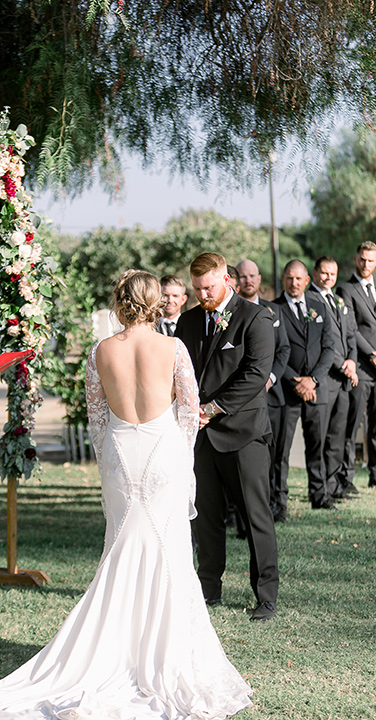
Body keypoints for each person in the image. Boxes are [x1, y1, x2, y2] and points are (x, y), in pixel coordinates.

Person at [0, 269, 253, 720]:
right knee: (170, 554)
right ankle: (163, 654)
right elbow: (187, 409)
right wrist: (181, 463)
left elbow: (97, 420)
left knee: (120, 548)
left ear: (121, 301)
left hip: (121, 455)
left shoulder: (101, 352)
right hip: (163, 456)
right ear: (156, 302)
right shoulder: (173, 347)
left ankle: (111, 649)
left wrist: (110, 465)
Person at [175, 252, 279, 622]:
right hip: (200, 438)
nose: (202, 294)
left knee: (255, 517)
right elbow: (180, 371)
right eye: (197, 288)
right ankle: (208, 588)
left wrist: (212, 408)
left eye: (209, 287)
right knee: (206, 516)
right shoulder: (186, 322)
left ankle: (266, 596)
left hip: (244, 434)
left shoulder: (255, 318)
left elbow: (255, 375)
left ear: (226, 280)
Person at [273, 260, 334, 511]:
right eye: (289, 278)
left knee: (318, 445)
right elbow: (272, 351)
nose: (294, 283)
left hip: (316, 389)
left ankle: (319, 496)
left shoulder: (320, 307)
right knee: (281, 450)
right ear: (283, 279)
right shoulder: (272, 309)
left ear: (307, 281)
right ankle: (279, 502)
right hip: (287, 391)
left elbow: (329, 348)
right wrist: (295, 381)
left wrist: (313, 380)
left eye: (299, 279)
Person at [236, 259, 290, 521]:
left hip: (272, 397)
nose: (248, 281)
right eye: (242, 276)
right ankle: (236, 512)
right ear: (236, 280)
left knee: (276, 454)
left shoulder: (273, 311)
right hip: (240, 401)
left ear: (259, 279)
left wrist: (269, 378)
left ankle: (275, 505)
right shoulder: (230, 312)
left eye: (252, 276)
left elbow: (284, 350)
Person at [306, 256, 358, 500]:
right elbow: (323, 342)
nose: (328, 278)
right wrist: (342, 364)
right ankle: (319, 490)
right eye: (324, 273)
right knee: (320, 436)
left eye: (332, 274)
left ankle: (335, 485)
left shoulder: (338, 299)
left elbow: (350, 334)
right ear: (315, 273)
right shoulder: (309, 300)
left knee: (338, 435)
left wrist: (353, 363)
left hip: (344, 379)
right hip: (325, 376)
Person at [337, 241, 376, 490]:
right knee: (353, 424)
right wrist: (372, 353)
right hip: (361, 366)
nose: (366, 264)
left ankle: (375, 474)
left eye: (370, 260)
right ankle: (346, 477)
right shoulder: (346, 289)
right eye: (362, 259)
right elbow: (351, 328)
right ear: (355, 259)